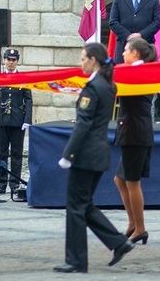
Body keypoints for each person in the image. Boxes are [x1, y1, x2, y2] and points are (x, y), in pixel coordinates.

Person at [53, 42, 135, 273]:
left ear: (93, 60)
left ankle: (76, 261)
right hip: (98, 154)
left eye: (82, 58)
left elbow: (83, 125)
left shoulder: (93, 87)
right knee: (85, 205)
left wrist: (68, 154)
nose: (80, 63)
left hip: (86, 155)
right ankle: (119, 243)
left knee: (75, 208)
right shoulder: (108, 85)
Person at [114, 37, 156, 245]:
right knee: (120, 179)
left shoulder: (138, 73)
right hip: (133, 130)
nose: (122, 53)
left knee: (131, 180)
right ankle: (133, 224)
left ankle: (140, 228)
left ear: (136, 54)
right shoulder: (134, 71)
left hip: (135, 132)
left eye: (126, 50)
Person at [108, 0, 160, 118]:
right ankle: (123, 118)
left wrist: (140, 35)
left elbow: (157, 22)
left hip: (145, 51)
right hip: (124, 50)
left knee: (144, 88)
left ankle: (144, 117)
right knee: (124, 87)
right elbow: (113, 22)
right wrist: (129, 37)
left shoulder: (153, 0)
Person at [0, 48, 33, 198]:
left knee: (17, 154)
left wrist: (27, 120)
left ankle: (14, 183)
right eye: (8, 59)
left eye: (14, 60)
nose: (11, 63)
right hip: (1, 120)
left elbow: (29, 100)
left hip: (18, 121)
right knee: (1, 153)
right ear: (4, 60)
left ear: (17, 61)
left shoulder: (23, 78)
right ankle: (1, 182)